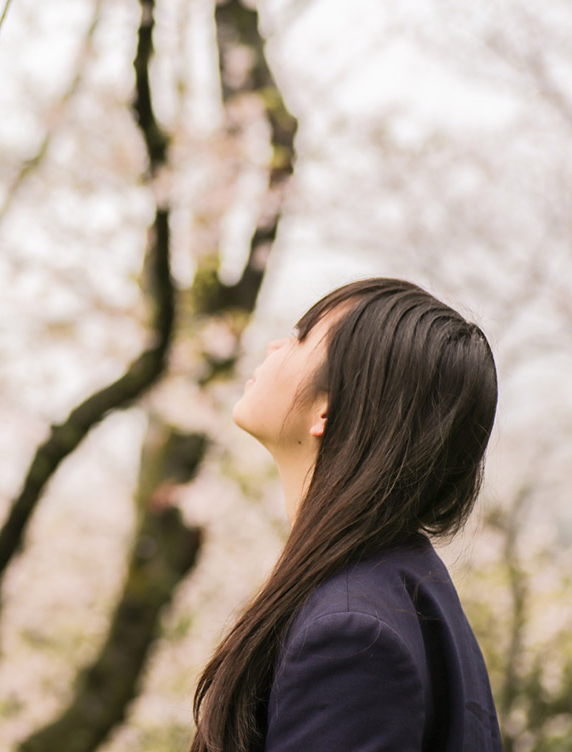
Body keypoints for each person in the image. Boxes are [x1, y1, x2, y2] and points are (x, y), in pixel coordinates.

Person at [190, 278, 503, 752]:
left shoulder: (353, 634)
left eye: (300, 335)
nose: (275, 344)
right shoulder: (403, 585)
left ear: (326, 409)